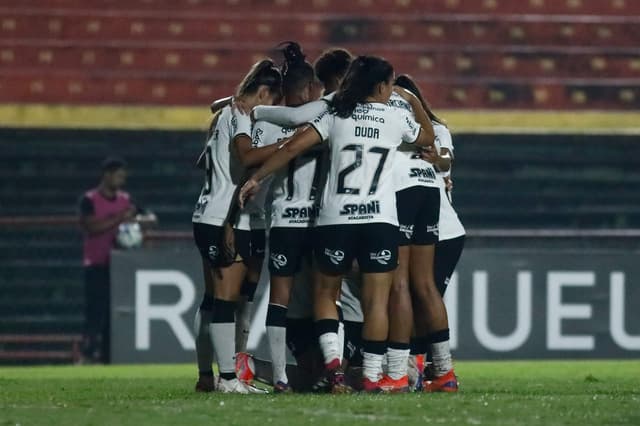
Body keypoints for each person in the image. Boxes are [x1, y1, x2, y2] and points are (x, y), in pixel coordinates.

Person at [239, 55, 435, 392]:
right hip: (379, 219)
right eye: (390, 85)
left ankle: (336, 371)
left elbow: (291, 147)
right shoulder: (393, 117)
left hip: (336, 219)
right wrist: (413, 100)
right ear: (381, 86)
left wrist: (257, 177)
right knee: (376, 301)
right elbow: (427, 135)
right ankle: (373, 378)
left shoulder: (335, 115)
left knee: (327, 294)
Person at [191, 59, 284, 394]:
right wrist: (286, 148)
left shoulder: (224, 113)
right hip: (222, 216)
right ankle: (228, 378)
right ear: (263, 92)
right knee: (226, 301)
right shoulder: (240, 114)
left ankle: (209, 376)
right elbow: (246, 155)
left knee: (216, 300)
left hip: (207, 212)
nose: (271, 110)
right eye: (272, 101)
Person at [250, 42, 322, 393]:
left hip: (282, 221)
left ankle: (279, 376)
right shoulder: (326, 118)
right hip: (318, 224)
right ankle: (334, 369)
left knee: (279, 299)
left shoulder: (267, 123)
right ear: (310, 89)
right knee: (325, 297)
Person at [394, 74, 460, 392]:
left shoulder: (436, 130)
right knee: (418, 294)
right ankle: (430, 369)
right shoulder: (395, 130)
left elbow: (446, 160)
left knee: (419, 292)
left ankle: (420, 368)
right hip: (425, 223)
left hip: (443, 231)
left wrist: (438, 160)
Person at [78, 157, 136, 363]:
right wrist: (121, 217)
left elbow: (147, 217)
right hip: (96, 264)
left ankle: (107, 357)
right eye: (118, 176)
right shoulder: (89, 199)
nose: (121, 180)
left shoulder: (125, 199)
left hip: (118, 266)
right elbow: (92, 227)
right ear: (107, 175)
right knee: (95, 312)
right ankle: (86, 354)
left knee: (113, 316)